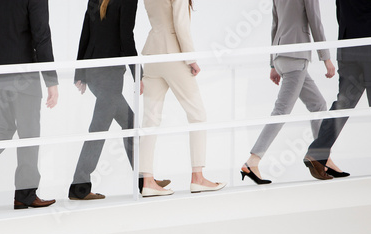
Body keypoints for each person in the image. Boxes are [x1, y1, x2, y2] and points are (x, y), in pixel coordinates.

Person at [0, 0, 59, 210]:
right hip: (24, 76)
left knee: (3, 127)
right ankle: (25, 195)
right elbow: (41, 35)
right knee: (29, 134)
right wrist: (51, 81)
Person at [69, 0, 169, 200]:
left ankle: (144, 179)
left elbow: (85, 33)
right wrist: (137, 75)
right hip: (109, 74)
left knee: (129, 123)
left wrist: (80, 73)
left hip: (94, 71)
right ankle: (79, 187)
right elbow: (126, 37)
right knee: (99, 128)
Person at [241, 0, 341, 185]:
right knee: (281, 111)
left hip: (282, 54)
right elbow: (316, 22)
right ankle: (252, 161)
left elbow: (274, 26)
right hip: (297, 56)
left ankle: (322, 156)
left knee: (318, 104)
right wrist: (326, 58)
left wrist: (273, 63)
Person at [139, 0, 225, 197]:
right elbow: (180, 25)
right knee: (197, 114)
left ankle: (148, 181)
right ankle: (198, 178)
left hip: (152, 54)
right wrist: (191, 59)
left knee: (150, 120)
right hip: (173, 54)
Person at [304, 0, 371, 180]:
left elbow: (340, 12)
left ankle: (317, 153)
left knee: (344, 104)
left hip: (348, 48)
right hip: (368, 44)